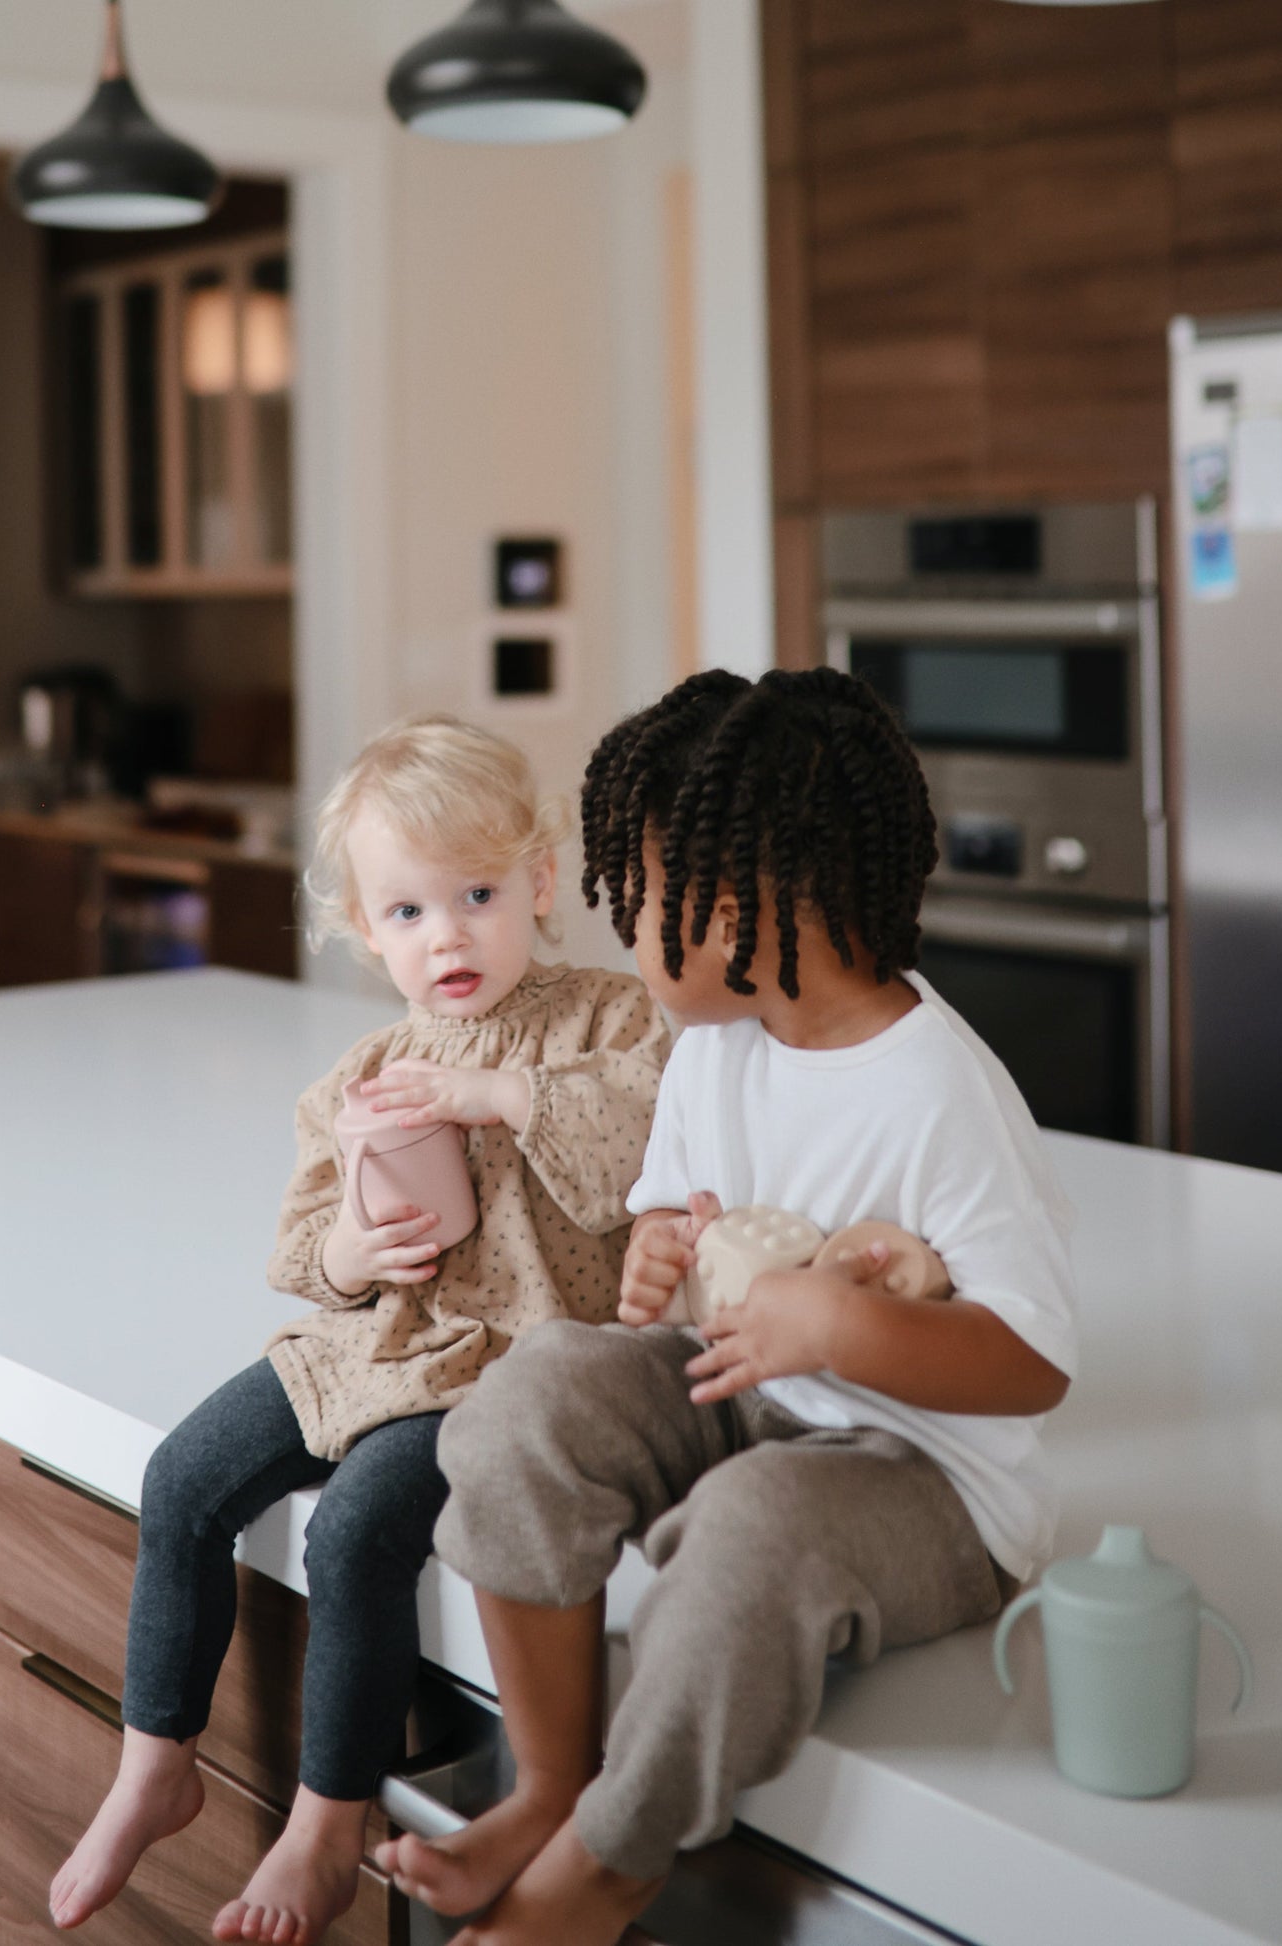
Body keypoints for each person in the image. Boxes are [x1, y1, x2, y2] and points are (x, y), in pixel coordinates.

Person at [378, 668, 1078, 1946]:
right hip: (746, 1395)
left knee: (746, 1533)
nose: (623, 927)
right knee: (526, 1399)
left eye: (643, 900)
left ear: (763, 898)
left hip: (928, 1481)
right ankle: (546, 1783)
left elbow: (1033, 1361)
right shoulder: (716, 1043)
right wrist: (658, 1255)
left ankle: (611, 1856)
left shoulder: (935, 1088)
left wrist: (845, 1327)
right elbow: (674, 1212)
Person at [49, 715, 669, 1944]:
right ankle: (150, 1760)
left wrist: (495, 1093)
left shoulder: (608, 1021)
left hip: (504, 1374)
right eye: (406, 912)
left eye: (476, 894)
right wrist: (349, 1252)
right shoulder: (359, 1074)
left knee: (356, 1533)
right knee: (181, 1475)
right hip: (373, 1348)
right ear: (363, 930)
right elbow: (297, 1253)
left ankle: (324, 1823)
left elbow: (634, 1148)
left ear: (540, 884)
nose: (445, 934)